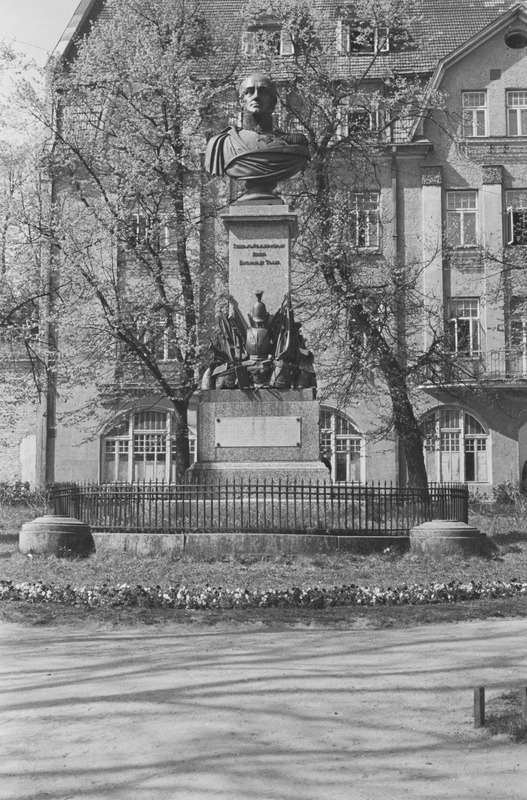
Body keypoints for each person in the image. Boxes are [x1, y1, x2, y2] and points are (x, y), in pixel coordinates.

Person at [205, 73, 310, 200]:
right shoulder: (222, 144)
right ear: (241, 101)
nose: (256, 97)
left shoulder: (293, 145)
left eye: (263, 92)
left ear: (273, 102)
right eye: (249, 92)